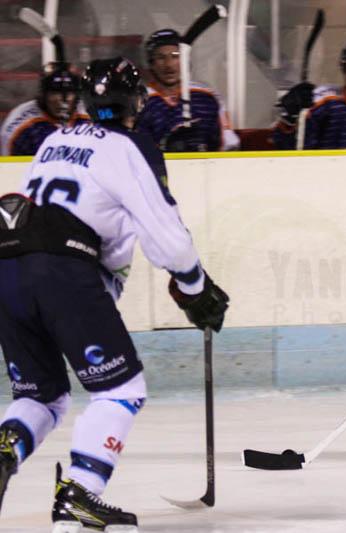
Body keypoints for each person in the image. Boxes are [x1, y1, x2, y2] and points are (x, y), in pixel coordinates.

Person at [0, 57, 229, 530]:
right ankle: (80, 494)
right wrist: (195, 287)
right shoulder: (130, 146)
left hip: (7, 264)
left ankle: (5, 449)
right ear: (136, 102)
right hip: (61, 268)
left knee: (42, 395)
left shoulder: (54, 139)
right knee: (121, 389)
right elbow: (166, 236)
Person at [136, 29, 240, 152]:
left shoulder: (207, 97)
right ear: (151, 64)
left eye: (175, 56)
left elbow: (230, 146)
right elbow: (135, 150)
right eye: (160, 57)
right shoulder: (140, 101)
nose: (169, 64)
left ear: (186, 60)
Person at [0, 62, 86, 156]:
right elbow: (9, 163)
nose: (61, 100)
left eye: (69, 93)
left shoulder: (88, 114)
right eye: (54, 93)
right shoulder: (21, 125)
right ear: (43, 95)